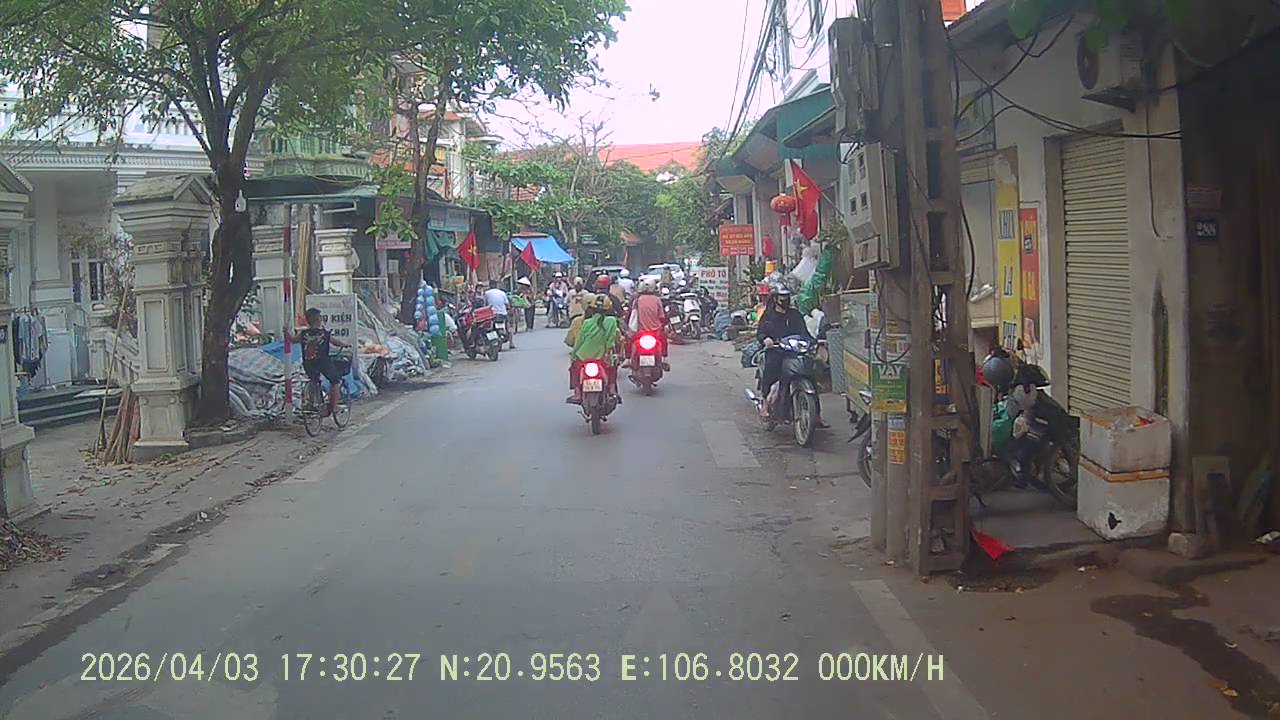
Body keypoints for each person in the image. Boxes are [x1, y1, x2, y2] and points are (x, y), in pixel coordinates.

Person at [286, 308, 352, 417]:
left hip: (308, 363)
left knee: (314, 380)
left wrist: (286, 333)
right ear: (318, 319)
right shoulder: (324, 334)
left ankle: (311, 402)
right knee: (335, 381)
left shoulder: (303, 334)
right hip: (323, 363)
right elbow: (335, 342)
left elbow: (292, 340)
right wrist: (344, 345)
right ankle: (334, 406)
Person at [756, 286, 812, 415]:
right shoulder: (768, 316)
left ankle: (817, 414)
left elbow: (804, 333)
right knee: (771, 369)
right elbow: (761, 333)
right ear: (776, 298)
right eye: (782, 297)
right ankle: (765, 403)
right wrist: (766, 339)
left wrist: (813, 342)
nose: (784, 300)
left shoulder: (795, 315)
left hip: (794, 351)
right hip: (776, 351)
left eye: (787, 297)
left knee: (810, 372)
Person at [567, 294, 624, 405]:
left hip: (583, 357)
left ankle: (577, 393)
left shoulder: (587, 322)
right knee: (613, 367)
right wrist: (610, 354)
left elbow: (579, 341)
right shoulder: (612, 321)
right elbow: (611, 341)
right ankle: (612, 390)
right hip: (603, 358)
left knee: (574, 369)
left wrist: (573, 355)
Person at [627, 279, 670, 371]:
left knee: (629, 341)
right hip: (656, 332)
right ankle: (664, 359)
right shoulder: (657, 300)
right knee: (664, 341)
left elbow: (631, 315)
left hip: (640, 332)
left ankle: (628, 359)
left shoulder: (637, 300)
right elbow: (662, 316)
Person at [483, 278, 515, 349]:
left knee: (489, 328)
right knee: (509, 327)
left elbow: (485, 305)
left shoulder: (487, 293)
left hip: (492, 315)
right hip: (502, 314)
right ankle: (511, 343)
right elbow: (507, 304)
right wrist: (508, 310)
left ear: (490, 285)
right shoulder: (502, 293)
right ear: (496, 285)